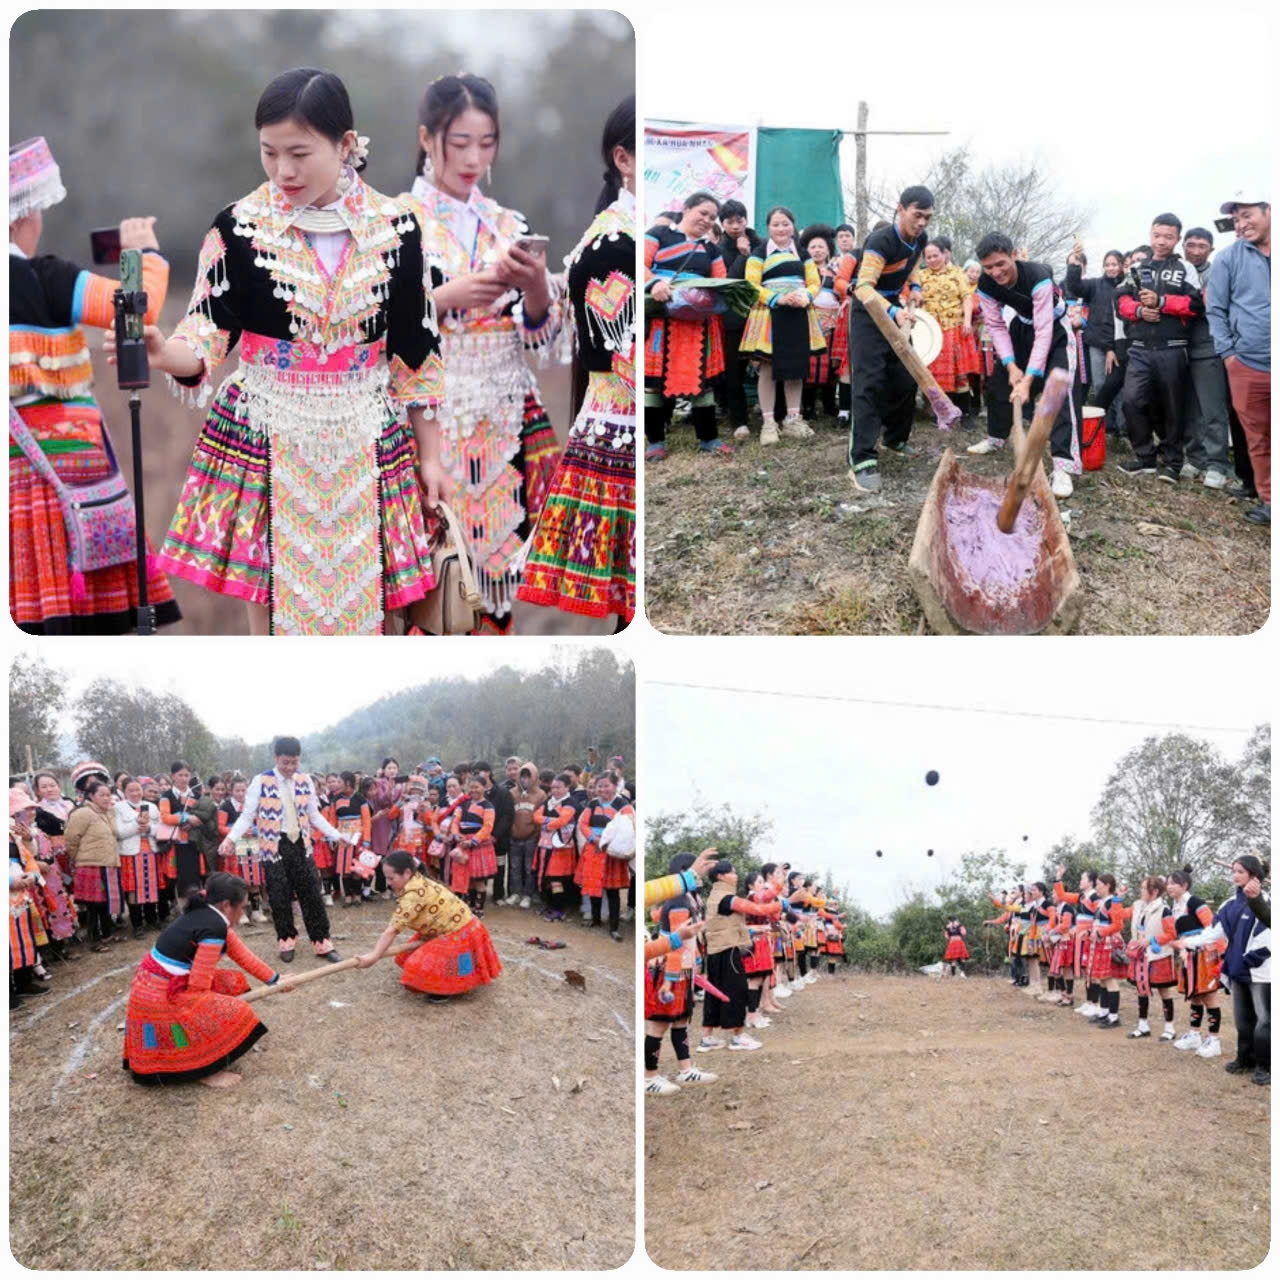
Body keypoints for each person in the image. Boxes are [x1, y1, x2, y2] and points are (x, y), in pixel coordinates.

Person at [123, 68, 444, 636]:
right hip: (268, 435)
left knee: (381, 613)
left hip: (367, 436)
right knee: (269, 608)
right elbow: (206, 331)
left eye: (299, 153)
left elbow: (416, 352)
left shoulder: (398, 227)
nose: (283, 171)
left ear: (346, 145)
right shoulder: (239, 228)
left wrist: (434, 458)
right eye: (269, 153)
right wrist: (161, 349)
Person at [402, 74, 565, 627]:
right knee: (430, 582)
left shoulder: (506, 224)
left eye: (487, 142)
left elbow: (538, 334)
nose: (474, 156)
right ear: (428, 139)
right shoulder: (396, 222)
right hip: (427, 417)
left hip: (504, 420)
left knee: (496, 579)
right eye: (460, 142)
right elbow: (371, 325)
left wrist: (538, 287)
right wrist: (445, 298)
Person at [8, 136, 181, 634]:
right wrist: (142, 253)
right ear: (23, 216)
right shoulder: (48, 279)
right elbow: (137, 308)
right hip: (71, 477)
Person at [518, 96, 636, 627]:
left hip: (611, 415)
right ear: (624, 159)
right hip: (623, 416)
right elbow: (586, 337)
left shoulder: (614, 233)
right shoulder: (613, 242)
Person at [122, 872, 291, 1086]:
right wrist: (213, 1012)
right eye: (243, 907)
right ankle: (204, 1068)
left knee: (232, 982)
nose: (243, 912)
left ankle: (197, 1050)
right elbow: (198, 988)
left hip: (158, 985)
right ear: (228, 905)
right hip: (159, 996)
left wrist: (275, 979)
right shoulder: (213, 928)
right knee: (237, 1010)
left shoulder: (209, 913)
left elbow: (242, 955)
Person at [968, 233, 1082, 498]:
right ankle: (996, 438)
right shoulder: (985, 284)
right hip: (1021, 327)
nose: (996, 272)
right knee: (998, 383)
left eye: (1001, 264)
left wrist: (1028, 380)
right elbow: (995, 325)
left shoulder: (1038, 275)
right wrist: (1010, 366)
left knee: (1058, 394)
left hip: (1054, 331)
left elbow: (1044, 331)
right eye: (989, 267)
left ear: (1014, 255)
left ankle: (1063, 465)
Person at [220, 735, 352, 963]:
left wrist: (336, 835)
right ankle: (286, 940)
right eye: (285, 763)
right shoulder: (260, 781)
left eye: (294, 762)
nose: (290, 768)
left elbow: (314, 815)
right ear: (276, 758)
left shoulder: (305, 781)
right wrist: (230, 838)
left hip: (301, 843)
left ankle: (322, 942)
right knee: (279, 895)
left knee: (311, 892)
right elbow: (247, 816)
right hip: (274, 845)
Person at [847, 186, 934, 494]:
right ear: (901, 209)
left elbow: (913, 270)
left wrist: (917, 289)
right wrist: (894, 311)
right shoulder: (880, 241)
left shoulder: (920, 240)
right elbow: (864, 288)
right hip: (868, 315)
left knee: (905, 376)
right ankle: (862, 459)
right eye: (917, 215)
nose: (922, 223)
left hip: (896, 311)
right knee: (869, 381)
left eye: (927, 217)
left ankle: (895, 438)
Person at [1113, 213, 1204, 485]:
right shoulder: (1137, 268)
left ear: (1177, 239)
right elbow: (1120, 303)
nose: (1161, 241)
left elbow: (1196, 304)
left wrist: (1162, 302)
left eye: (1168, 236)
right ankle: (1145, 457)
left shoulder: (1185, 268)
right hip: (1139, 348)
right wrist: (1140, 310)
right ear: (1150, 234)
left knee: (1173, 407)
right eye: (1157, 235)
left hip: (1173, 347)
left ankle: (1173, 463)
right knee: (1131, 401)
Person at [643, 190, 729, 459]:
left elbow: (721, 280)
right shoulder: (657, 234)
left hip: (697, 323)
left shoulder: (711, 249)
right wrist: (654, 283)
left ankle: (709, 439)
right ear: (686, 208)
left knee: (702, 381)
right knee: (652, 383)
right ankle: (655, 442)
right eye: (703, 213)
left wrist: (703, 297)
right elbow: (640, 263)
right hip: (660, 319)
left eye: (712, 217)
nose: (706, 220)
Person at [355, 850, 502, 1002]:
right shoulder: (415, 879)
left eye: (391, 878)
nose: (388, 883)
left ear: (406, 873)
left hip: (461, 932)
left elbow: (392, 930)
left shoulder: (413, 894)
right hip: (444, 930)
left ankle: (448, 987)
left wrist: (373, 956)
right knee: (405, 957)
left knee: (416, 964)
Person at [1207, 190, 1270, 525]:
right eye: (1236, 219)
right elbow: (1215, 309)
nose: (1242, 224)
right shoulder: (1229, 259)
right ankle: (1270, 500)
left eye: (1248, 215)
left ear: (1267, 210)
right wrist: (1229, 354)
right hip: (1248, 362)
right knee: (1258, 436)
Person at [738, 207, 825, 444]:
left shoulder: (803, 254)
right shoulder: (758, 253)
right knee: (767, 368)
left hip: (798, 313)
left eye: (785, 223)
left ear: (793, 226)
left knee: (796, 368)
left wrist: (806, 295)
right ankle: (768, 423)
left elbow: (815, 281)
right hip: (769, 314)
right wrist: (776, 299)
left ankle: (793, 420)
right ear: (769, 228)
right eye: (776, 224)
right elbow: (751, 285)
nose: (781, 228)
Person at [644, 862, 715, 1096]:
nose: (703, 875)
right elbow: (676, 945)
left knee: (681, 1020)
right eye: (699, 870)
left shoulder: (687, 900)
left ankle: (685, 1069)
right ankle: (649, 1076)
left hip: (683, 971)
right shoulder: (677, 903)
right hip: (671, 972)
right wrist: (669, 981)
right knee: (659, 1023)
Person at [697, 860, 777, 1053]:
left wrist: (752, 931)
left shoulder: (716, 896)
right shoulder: (727, 898)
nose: (736, 875)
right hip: (729, 952)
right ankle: (738, 1036)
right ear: (721, 876)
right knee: (738, 992)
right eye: (732, 872)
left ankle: (707, 1038)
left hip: (716, 951)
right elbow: (759, 909)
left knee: (714, 994)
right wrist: (784, 902)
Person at [1179, 227, 1232, 489]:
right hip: (1179, 348)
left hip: (1208, 347)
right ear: (1183, 247)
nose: (1196, 251)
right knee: (1190, 409)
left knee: (1212, 409)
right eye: (1190, 245)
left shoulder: (1219, 272)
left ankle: (1217, 464)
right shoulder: (1177, 271)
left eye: (1202, 246)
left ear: (1210, 248)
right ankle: (1195, 458)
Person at [1215, 855, 1270, 1086]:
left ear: (1253, 875)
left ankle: (1265, 1065)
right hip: (1238, 969)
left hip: (1262, 971)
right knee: (1242, 1019)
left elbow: (1269, 934)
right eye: (1234, 870)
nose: (1235, 875)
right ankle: (1244, 1058)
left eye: (1240, 871)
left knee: (1264, 1019)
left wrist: (1250, 959)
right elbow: (1220, 931)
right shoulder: (1230, 903)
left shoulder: (1268, 900)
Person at [918, 238, 980, 430]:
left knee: (960, 373)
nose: (932, 260)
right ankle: (942, 412)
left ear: (944, 254)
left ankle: (966, 414)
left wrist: (968, 321)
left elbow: (967, 298)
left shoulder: (957, 273)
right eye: (928, 257)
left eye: (935, 255)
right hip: (931, 333)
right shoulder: (921, 276)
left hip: (954, 328)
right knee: (935, 374)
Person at [1166, 866, 1226, 1059]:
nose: (1169, 887)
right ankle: (1194, 1034)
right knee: (1194, 995)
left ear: (1184, 885)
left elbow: (1213, 928)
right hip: (1188, 954)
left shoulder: (1195, 902)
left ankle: (1214, 1039)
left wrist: (1220, 957)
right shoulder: (1175, 906)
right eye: (1168, 883)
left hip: (1204, 954)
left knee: (1209, 996)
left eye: (1173, 883)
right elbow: (1178, 934)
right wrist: (1181, 948)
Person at [716, 199, 763, 438]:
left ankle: (774, 415)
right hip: (734, 317)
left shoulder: (763, 244)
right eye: (729, 222)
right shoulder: (719, 249)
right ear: (722, 224)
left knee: (768, 366)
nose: (735, 226)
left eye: (739, 220)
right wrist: (743, 255)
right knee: (734, 370)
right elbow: (728, 281)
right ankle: (739, 421)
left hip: (762, 314)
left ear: (746, 220)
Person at [575, 771, 633, 940]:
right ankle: (596, 919)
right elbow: (583, 823)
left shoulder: (624, 805)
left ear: (615, 786)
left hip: (612, 852)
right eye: (600, 786)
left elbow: (628, 828)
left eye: (606, 785)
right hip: (594, 849)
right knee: (594, 887)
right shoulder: (592, 804)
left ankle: (614, 927)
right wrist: (594, 838)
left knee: (613, 890)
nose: (602, 789)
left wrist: (607, 841)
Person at [114, 777, 163, 937]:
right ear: (124, 792)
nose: (135, 793)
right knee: (134, 888)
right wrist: (137, 824)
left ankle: (152, 918)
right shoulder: (118, 808)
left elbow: (160, 829)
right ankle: (137, 923)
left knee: (151, 886)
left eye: (138, 790)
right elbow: (119, 833)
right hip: (131, 853)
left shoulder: (152, 807)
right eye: (131, 790)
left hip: (150, 851)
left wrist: (149, 828)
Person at [217, 776, 267, 922]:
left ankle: (257, 910)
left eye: (243, 790)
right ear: (231, 791)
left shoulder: (253, 804)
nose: (240, 793)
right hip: (236, 845)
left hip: (252, 843)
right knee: (239, 880)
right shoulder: (226, 806)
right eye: (237, 790)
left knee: (254, 879)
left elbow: (262, 822)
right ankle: (242, 912)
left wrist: (255, 830)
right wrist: (237, 831)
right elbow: (220, 827)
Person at [534, 773, 578, 921]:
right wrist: (551, 820)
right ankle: (548, 904)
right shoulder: (549, 801)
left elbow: (563, 821)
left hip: (560, 848)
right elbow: (536, 816)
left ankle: (559, 908)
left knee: (556, 879)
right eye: (553, 787)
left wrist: (548, 822)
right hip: (544, 845)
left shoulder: (571, 803)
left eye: (559, 787)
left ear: (567, 787)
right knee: (545, 877)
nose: (555, 790)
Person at [159, 763, 205, 898]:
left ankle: (196, 904)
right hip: (176, 843)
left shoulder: (196, 795)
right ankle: (181, 907)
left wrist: (194, 823)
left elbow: (206, 816)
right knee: (178, 877)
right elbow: (165, 817)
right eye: (180, 775)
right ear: (173, 776)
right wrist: (186, 818)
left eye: (186, 775)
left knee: (195, 875)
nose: (183, 778)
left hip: (194, 841)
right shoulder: (166, 796)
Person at [453, 777, 498, 915]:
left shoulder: (488, 806)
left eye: (477, 787)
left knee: (479, 880)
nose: (473, 790)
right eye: (471, 787)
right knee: (469, 878)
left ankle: (479, 909)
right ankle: (470, 907)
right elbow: (455, 822)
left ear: (484, 788)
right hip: (463, 843)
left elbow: (487, 827)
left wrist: (473, 841)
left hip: (479, 845)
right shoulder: (463, 804)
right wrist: (456, 834)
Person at [504, 762, 545, 909]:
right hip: (514, 836)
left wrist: (536, 833)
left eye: (528, 776)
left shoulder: (540, 794)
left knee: (529, 868)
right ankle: (516, 893)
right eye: (523, 776)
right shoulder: (513, 793)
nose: (525, 779)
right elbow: (508, 814)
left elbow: (541, 817)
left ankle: (528, 895)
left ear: (534, 777)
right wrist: (511, 830)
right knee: (514, 867)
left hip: (531, 837)